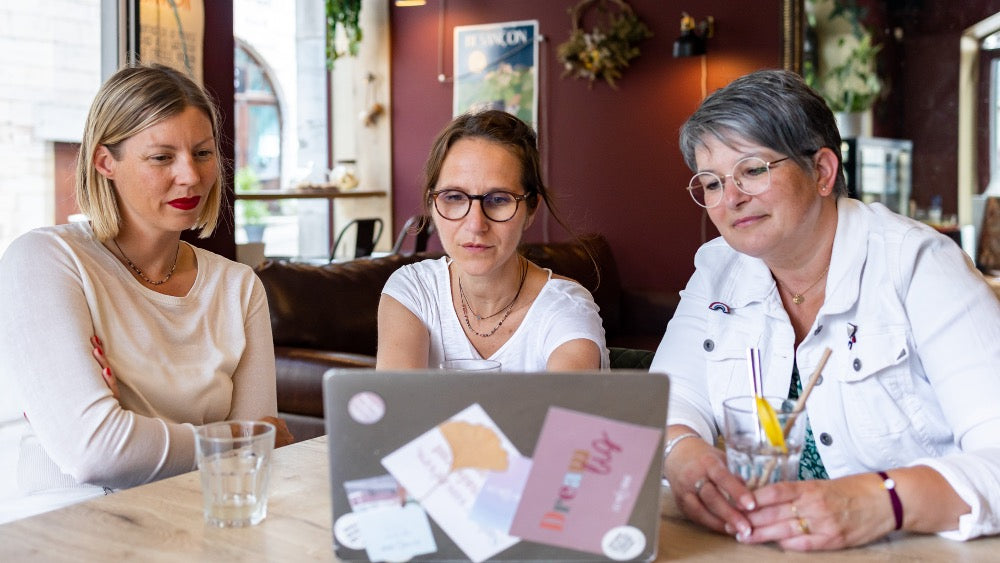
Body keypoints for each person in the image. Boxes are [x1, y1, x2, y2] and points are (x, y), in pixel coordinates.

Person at [653, 69, 1000, 550]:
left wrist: (878, 501)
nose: (730, 199)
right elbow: (668, 400)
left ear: (821, 172)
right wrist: (682, 453)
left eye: (752, 170)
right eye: (711, 183)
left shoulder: (919, 265)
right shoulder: (718, 269)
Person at [0, 63, 292, 524]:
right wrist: (230, 437)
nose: (191, 176)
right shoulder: (45, 259)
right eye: (161, 157)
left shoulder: (238, 286)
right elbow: (98, 453)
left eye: (202, 153)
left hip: (201, 518)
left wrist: (139, 430)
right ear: (104, 161)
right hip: (70, 522)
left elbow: (256, 457)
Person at [377, 110, 609, 370]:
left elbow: (568, 412)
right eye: (454, 197)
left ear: (531, 210)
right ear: (432, 204)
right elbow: (398, 407)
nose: (476, 224)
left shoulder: (566, 308)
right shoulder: (414, 291)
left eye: (498, 200)